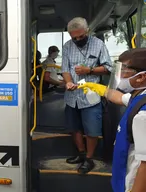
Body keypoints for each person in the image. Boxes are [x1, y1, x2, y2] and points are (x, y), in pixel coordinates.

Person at [78, 48, 146, 192]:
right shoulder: (139, 98)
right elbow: (120, 98)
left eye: (124, 72)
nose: (120, 76)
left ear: (141, 77)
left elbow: (145, 166)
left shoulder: (142, 116)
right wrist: (100, 89)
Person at [61, 17, 113, 174]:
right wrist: (68, 82)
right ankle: (81, 154)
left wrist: (89, 70)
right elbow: (65, 70)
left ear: (87, 31)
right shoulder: (67, 47)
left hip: (91, 97)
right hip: (72, 97)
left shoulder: (98, 45)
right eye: (74, 38)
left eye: (81, 37)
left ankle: (89, 159)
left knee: (92, 130)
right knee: (74, 128)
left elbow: (108, 67)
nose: (77, 40)